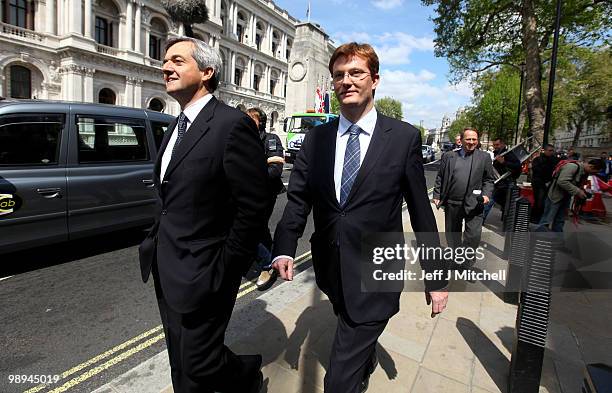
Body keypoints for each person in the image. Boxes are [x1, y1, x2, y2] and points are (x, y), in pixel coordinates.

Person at [271, 42, 449, 393]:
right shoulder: (316, 139)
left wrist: (436, 277)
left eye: (356, 73)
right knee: (346, 317)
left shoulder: (402, 138)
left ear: (375, 80)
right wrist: (284, 247)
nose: (346, 81)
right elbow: (298, 200)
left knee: (339, 380)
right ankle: (363, 355)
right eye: (339, 75)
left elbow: (420, 209)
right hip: (331, 266)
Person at [138, 37, 269, 393]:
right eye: (166, 61)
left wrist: (226, 267)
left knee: (200, 360)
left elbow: (254, 206)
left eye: (178, 61)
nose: (166, 67)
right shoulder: (175, 126)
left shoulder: (231, 125)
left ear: (207, 71)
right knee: (179, 357)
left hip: (206, 272)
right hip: (166, 264)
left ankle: (247, 375)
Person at [432, 128, 495, 269]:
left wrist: (486, 194)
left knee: (473, 236)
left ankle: (467, 262)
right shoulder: (449, 156)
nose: (471, 142)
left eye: (474, 139)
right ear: (461, 140)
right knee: (452, 234)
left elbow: (489, 180)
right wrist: (436, 195)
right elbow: (440, 177)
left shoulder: (484, 157)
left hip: (474, 204)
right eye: (468, 139)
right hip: (452, 203)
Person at [246, 107, 285, 290]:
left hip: (265, 193)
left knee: (254, 227)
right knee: (255, 228)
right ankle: (268, 257)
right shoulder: (244, 139)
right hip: (246, 194)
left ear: (260, 122)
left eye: (250, 119)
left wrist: (249, 176)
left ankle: (268, 265)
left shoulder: (271, 140)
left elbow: (275, 171)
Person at [537, 158, 603, 233]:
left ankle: (557, 238)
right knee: (547, 219)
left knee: (560, 220)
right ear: (591, 166)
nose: (594, 174)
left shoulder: (584, 172)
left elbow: (576, 184)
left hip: (565, 197)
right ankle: (539, 237)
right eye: (595, 172)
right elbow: (562, 181)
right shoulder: (572, 167)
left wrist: (582, 192)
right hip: (555, 197)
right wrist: (578, 191)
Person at [484, 138, 521, 219]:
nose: (495, 147)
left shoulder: (508, 154)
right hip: (498, 182)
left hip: (505, 182)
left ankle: (481, 219)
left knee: (492, 201)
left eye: (497, 145)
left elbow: (517, 166)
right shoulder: (497, 153)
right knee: (503, 203)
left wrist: (504, 162)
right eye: (494, 145)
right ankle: (505, 219)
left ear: (503, 144)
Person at [530, 144, 559, 223]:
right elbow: (537, 171)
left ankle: (540, 217)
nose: (551, 152)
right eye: (549, 150)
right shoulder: (538, 160)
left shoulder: (554, 160)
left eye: (552, 151)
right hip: (539, 183)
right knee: (539, 201)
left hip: (549, 183)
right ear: (545, 150)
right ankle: (535, 217)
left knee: (545, 201)